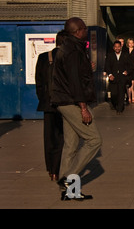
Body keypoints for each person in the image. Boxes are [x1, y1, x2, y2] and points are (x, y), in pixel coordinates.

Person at [50, 17, 102, 200]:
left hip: (65, 100)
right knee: (94, 140)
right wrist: (83, 108)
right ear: (77, 30)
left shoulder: (70, 47)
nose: (86, 30)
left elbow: (76, 74)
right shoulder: (73, 50)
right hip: (71, 101)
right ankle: (67, 178)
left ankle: (70, 192)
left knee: (71, 146)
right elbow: (74, 81)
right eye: (84, 28)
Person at [35, 30, 67, 181]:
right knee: (62, 136)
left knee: (49, 137)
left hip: (48, 103)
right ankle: (57, 167)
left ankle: (50, 169)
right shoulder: (68, 57)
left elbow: (39, 83)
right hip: (64, 103)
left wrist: (44, 98)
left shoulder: (42, 58)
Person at [104, 40, 132, 114]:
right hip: (113, 77)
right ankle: (115, 104)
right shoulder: (110, 55)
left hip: (122, 77)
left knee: (121, 93)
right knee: (114, 94)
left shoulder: (125, 55)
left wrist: (127, 71)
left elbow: (130, 65)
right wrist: (109, 75)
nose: (117, 48)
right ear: (113, 48)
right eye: (115, 47)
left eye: (118, 47)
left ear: (121, 47)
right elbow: (107, 66)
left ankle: (120, 108)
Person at [125, 38, 134, 104]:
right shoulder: (125, 50)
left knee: (132, 84)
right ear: (128, 43)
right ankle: (129, 97)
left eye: (132, 43)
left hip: (133, 68)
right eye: (129, 43)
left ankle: (133, 97)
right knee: (128, 83)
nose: (131, 44)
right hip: (127, 68)